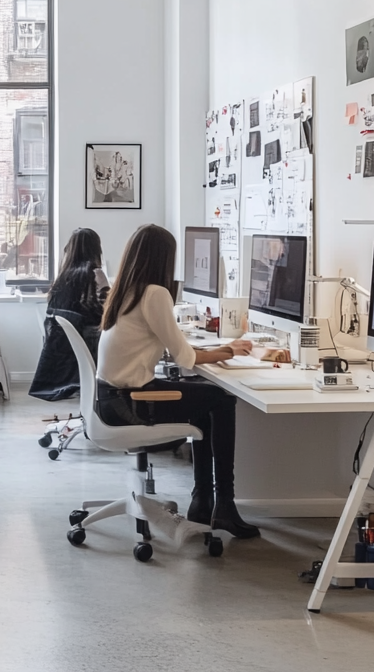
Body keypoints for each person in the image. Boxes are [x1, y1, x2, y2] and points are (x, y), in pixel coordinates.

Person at [95, 224, 260, 539]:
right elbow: (185, 358)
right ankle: (222, 503)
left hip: (111, 400)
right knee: (221, 400)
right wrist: (230, 351)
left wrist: (223, 350)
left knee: (205, 402)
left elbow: (179, 350)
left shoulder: (125, 290)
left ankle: (205, 501)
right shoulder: (155, 293)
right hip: (132, 404)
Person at [29, 228, 108, 401]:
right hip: (88, 337)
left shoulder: (63, 276)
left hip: (65, 340)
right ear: (96, 249)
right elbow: (108, 307)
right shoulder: (96, 273)